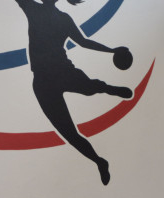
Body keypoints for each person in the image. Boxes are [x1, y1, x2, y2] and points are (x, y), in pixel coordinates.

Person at [12, 0, 133, 185]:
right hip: (43, 82)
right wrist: (111, 50)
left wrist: (111, 50)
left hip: (62, 72)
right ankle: (99, 161)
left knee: (89, 88)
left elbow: (83, 42)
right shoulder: (34, 9)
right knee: (70, 133)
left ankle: (109, 88)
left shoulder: (54, 16)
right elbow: (84, 42)